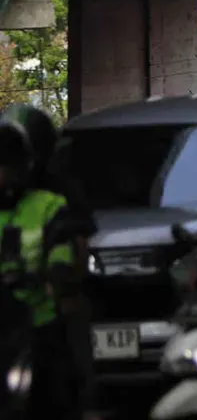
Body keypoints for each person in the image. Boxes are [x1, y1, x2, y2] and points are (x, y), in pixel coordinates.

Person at [3, 104, 99, 420]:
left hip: (44, 321)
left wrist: (59, 276)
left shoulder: (60, 195)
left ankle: (83, 400)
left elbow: (74, 247)